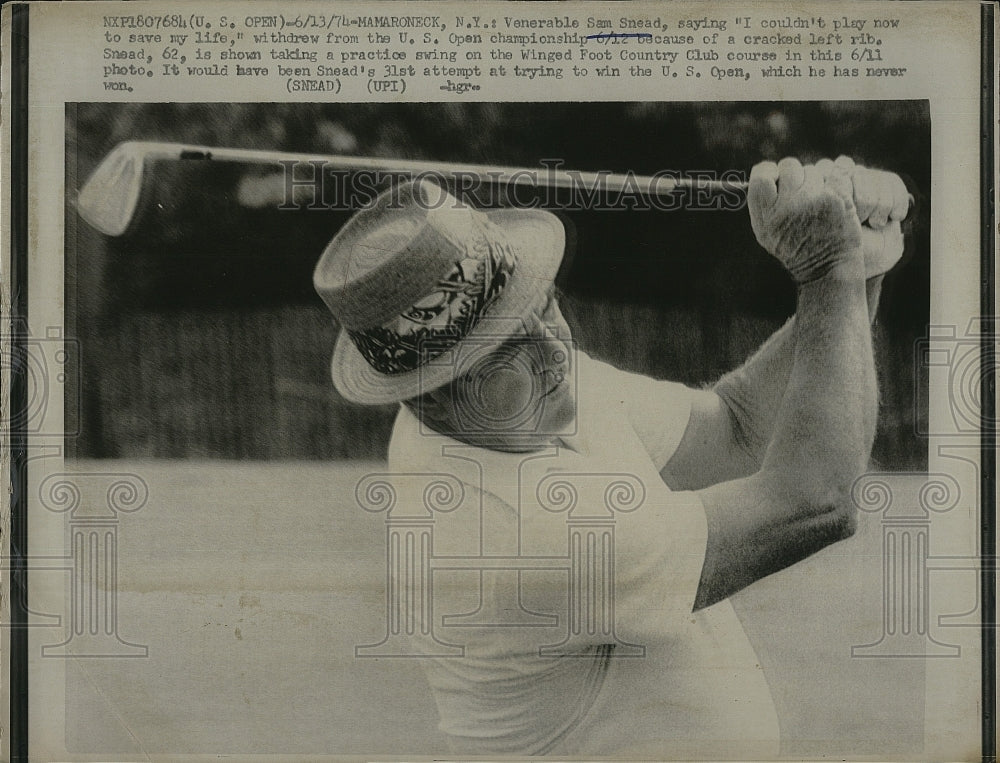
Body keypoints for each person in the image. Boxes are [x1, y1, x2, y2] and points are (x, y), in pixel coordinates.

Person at [313, 157, 911, 757]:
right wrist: (827, 271)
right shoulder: (505, 533)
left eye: (542, 306)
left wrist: (856, 268)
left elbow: (740, 430)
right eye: (502, 349)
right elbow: (815, 499)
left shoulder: (530, 393)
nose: (556, 352)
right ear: (427, 394)